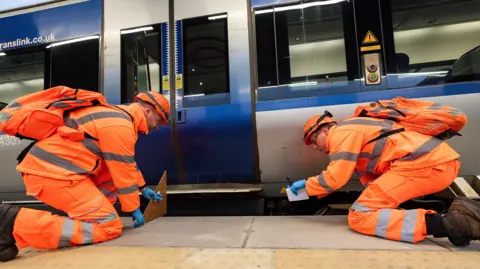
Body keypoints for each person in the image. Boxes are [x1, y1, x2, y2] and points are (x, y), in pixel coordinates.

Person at [0, 91, 170, 262]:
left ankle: (90, 216)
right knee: (109, 227)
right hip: (54, 174)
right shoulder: (120, 125)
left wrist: (142, 187)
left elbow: (125, 163)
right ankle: (12, 222)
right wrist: (134, 207)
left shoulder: (117, 118)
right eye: (159, 120)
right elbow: (122, 170)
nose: (157, 127)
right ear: (148, 110)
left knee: (110, 177)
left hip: (55, 171)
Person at [288, 110, 480, 246]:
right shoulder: (355, 129)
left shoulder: (341, 133)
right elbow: (371, 184)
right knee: (369, 207)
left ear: (324, 130)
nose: (315, 147)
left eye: (313, 140)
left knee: (359, 215)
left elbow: (334, 179)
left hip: (423, 164)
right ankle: (459, 220)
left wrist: (306, 187)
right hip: (433, 163)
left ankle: (454, 224)